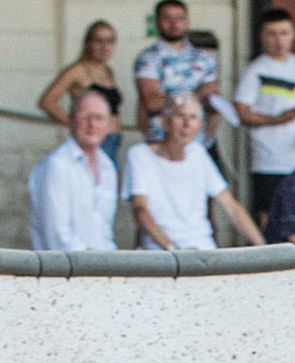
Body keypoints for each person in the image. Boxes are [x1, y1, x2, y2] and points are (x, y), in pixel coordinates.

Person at [122, 93, 264, 250]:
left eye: (193, 117)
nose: (187, 124)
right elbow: (140, 211)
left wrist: (264, 249)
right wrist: (173, 251)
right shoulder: (140, 155)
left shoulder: (198, 153)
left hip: (202, 249)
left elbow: (231, 206)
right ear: (164, 121)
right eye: (180, 116)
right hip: (162, 253)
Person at [234, 7, 295, 224]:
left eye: (284, 33)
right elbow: (242, 114)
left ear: (293, 34)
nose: (279, 40)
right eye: (272, 34)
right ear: (262, 37)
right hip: (269, 160)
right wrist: (278, 119)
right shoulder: (255, 70)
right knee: (270, 215)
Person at [30, 89, 119, 251]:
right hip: (64, 271)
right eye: (85, 117)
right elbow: (57, 238)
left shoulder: (108, 168)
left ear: (108, 125)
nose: (92, 124)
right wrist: (99, 264)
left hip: (101, 268)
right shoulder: (56, 166)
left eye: (99, 118)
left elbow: (105, 233)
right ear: (70, 120)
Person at [38, 21, 124, 165]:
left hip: (113, 139)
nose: (104, 47)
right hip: (94, 140)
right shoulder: (77, 70)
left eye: (110, 41)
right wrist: (74, 124)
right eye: (99, 41)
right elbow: (47, 102)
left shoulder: (108, 71)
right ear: (88, 43)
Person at [134, 1, 217, 149]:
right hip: (161, 142)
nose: (174, 24)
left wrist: (207, 137)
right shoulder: (149, 58)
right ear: (157, 22)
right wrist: (196, 94)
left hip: (197, 143)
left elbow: (213, 103)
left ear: (187, 21)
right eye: (167, 18)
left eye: (179, 18)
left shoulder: (203, 58)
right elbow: (152, 103)